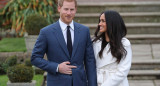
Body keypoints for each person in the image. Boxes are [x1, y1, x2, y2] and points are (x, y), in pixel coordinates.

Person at [31, 0, 97, 86]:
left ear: (76, 9)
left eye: (72, 9)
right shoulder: (46, 32)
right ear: (59, 8)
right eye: (66, 9)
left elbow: (90, 61)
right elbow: (35, 58)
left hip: (79, 83)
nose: (69, 13)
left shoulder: (84, 31)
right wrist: (57, 67)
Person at [92, 10, 132, 86]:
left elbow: (123, 70)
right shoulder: (95, 42)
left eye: (103, 21)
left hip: (117, 83)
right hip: (98, 81)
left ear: (112, 23)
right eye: (100, 21)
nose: (99, 24)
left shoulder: (124, 43)